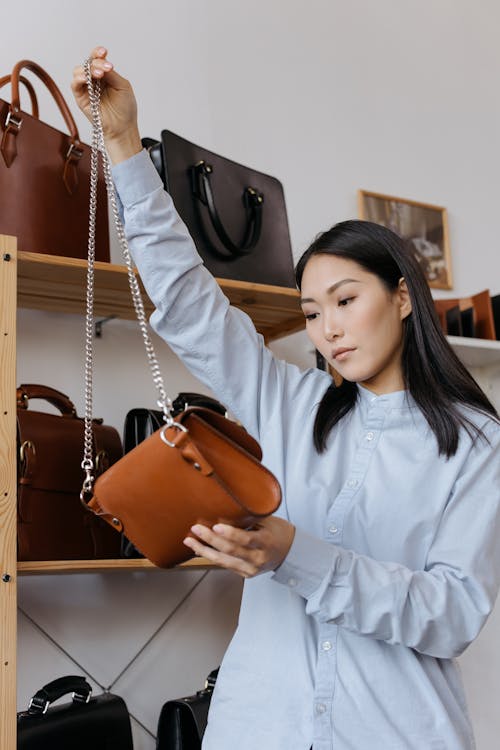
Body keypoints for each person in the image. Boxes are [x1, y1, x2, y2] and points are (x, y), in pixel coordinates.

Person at [72, 48, 500, 750]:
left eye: (345, 299)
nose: (327, 328)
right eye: (310, 313)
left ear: (400, 297)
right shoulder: (288, 403)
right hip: (256, 730)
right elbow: (185, 299)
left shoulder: (476, 443)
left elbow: (451, 615)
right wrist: (121, 144)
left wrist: (295, 556)